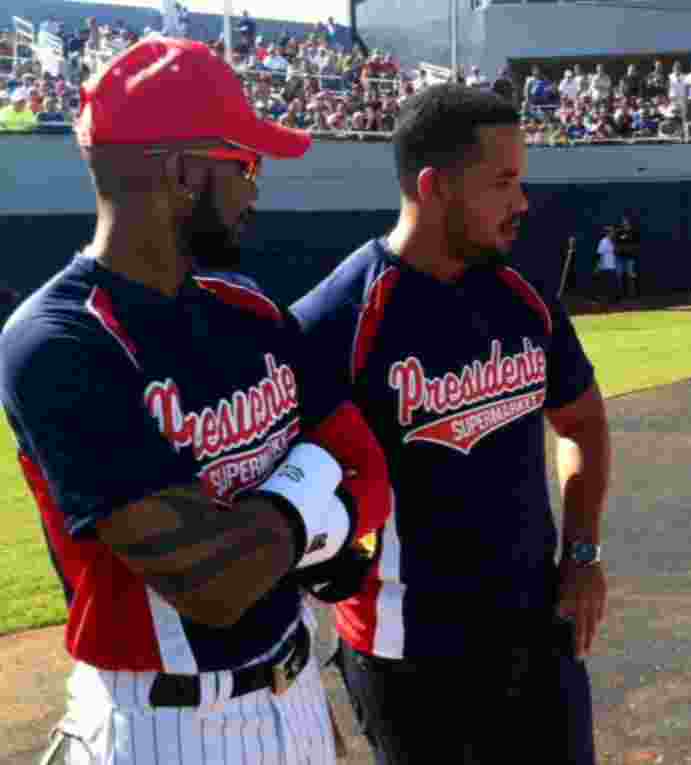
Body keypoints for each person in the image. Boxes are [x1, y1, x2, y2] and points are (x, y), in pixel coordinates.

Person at [0, 37, 394, 765]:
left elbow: (368, 469)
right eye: (244, 164)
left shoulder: (244, 307)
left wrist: (284, 523)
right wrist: (311, 493)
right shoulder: (58, 344)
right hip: (167, 728)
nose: (255, 188)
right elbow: (213, 583)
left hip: (297, 688)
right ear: (184, 173)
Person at [290, 84, 611, 765]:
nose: (522, 203)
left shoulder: (522, 294)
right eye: (503, 182)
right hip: (406, 657)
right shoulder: (335, 321)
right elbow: (284, 501)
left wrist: (581, 553)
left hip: (535, 635)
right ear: (434, 186)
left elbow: (582, 421)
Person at [613, 214, 641, 299]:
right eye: (623, 222)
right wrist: (619, 249)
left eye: (626, 222)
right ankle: (619, 294)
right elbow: (615, 243)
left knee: (631, 276)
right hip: (620, 258)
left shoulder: (634, 232)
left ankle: (632, 294)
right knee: (619, 275)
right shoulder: (618, 232)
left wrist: (630, 249)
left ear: (629, 223)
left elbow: (637, 245)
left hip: (630, 258)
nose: (625, 224)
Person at [595, 224, 620, 304]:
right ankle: (604, 300)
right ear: (608, 233)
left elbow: (615, 252)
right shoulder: (603, 241)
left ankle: (612, 300)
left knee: (613, 285)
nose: (613, 233)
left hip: (612, 266)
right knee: (606, 285)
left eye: (613, 232)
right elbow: (599, 255)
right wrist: (598, 266)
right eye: (612, 232)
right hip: (605, 267)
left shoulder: (612, 242)